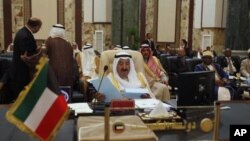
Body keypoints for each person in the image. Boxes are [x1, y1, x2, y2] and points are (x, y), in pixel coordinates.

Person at [9, 17, 42, 101]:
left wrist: (35, 49)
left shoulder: (23, 32)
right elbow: (26, 55)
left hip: (19, 71)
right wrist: (39, 53)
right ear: (36, 26)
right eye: (39, 27)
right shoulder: (25, 36)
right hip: (21, 72)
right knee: (21, 99)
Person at [45, 24, 73, 94]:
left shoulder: (49, 41)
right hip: (67, 76)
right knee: (65, 96)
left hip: (53, 74)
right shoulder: (68, 44)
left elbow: (43, 56)